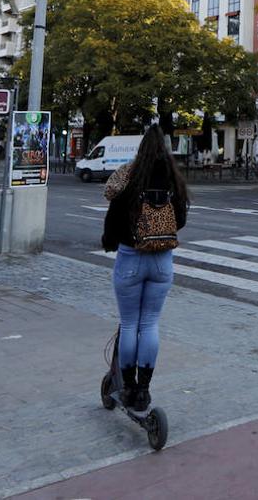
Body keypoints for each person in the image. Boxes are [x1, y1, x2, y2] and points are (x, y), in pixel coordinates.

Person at [102, 126, 190, 414]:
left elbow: (113, 216)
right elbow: (181, 219)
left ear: (140, 149)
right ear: (165, 150)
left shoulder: (130, 176)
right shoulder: (173, 181)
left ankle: (127, 386)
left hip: (131, 257)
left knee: (130, 325)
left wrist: (111, 241)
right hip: (162, 260)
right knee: (150, 323)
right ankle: (144, 391)